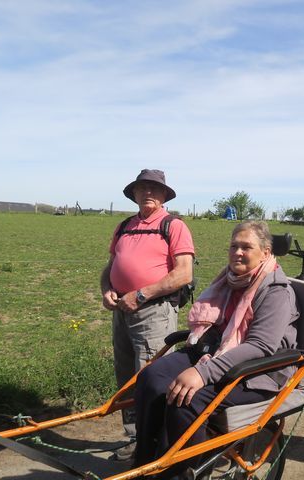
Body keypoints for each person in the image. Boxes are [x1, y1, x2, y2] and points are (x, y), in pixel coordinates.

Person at [134, 221, 299, 476]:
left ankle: (182, 472)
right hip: (218, 350)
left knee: (187, 399)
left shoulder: (276, 291)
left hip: (259, 372)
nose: (238, 252)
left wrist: (203, 373)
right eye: (234, 246)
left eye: (247, 247)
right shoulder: (231, 279)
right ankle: (146, 462)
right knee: (150, 377)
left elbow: (260, 346)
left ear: (265, 252)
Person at [100, 169, 195, 460]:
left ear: (165, 194)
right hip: (121, 312)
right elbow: (110, 266)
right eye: (142, 188)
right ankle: (135, 437)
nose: (148, 193)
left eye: (154, 188)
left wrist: (141, 295)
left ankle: (157, 442)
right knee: (127, 376)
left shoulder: (174, 226)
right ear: (134, 194)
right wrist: (106, 290)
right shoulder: (125, 226)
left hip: (154, 313)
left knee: (153, 378)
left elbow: (183, 273)